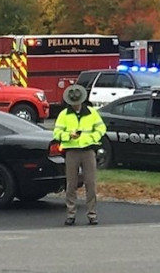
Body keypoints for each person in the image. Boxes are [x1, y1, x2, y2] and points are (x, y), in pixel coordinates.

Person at [53, 86, 107, 226]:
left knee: (90, 183)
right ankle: (71, 214)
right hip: (71, 150)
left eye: (76, 101)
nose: (75, 104)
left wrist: (91, 138)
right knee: (71, 184)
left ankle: (92, 214)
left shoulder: (92, 113)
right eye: (72, 102)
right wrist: (68, 135)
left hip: (88, 150)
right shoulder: (64, 114)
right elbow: (56, 133)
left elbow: (101, 128)